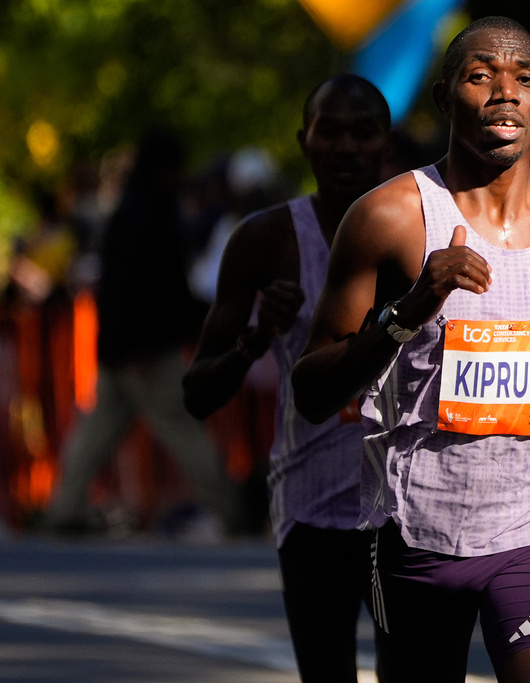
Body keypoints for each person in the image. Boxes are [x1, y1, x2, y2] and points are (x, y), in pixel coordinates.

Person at [291, 16, 530, 683]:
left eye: (522, 80)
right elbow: (312, 388)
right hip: (423, 528)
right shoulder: (390, 217)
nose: (505, 94)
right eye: (481, 77)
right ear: (445, 99)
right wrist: (410, 308)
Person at [181, 75, 393, 683]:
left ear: (387, 144)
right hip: (311, 506)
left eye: (363, 132)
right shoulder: (265, 240)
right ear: (304, 141)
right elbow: (198, 394)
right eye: (330, 130)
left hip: (406, 508)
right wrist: (253, 340)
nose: (346, 147)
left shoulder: (427, 232)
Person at [43, 127, 238, 537]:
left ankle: (64, 509)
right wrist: (147, 342)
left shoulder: (137, 209)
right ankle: (230, 510)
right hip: (145, 349)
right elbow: (144, 286)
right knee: (181, 427)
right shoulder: (148, 213)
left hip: (123, 347)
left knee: (98, 430)